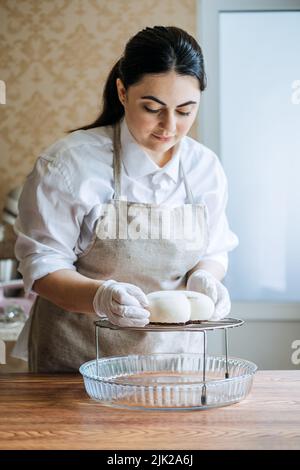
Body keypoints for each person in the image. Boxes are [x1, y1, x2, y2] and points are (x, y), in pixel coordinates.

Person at [13, 26, 238, 372]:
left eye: (185, 110)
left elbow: (213, 251)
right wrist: (100, 297)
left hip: (175, 363)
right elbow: (42, 267)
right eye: (152, 108)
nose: (169, 127)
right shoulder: (70, 164)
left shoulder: (204, 167)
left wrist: (204, 277)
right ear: (122, 91)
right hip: (79, 363)